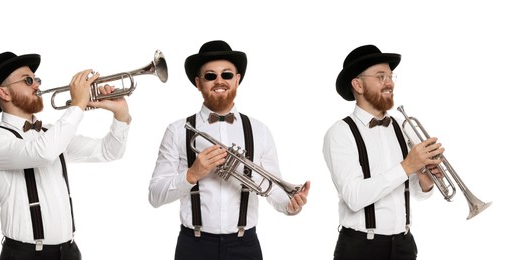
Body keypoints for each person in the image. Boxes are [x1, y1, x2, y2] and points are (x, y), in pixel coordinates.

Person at [147, 40, 310, 260]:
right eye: (210, 76)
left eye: (227, 75)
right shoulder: (177, 131)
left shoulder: (259, 130)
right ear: (198, 83)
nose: (219, 81)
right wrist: (191, 174)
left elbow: (272, 188)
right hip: (193, 246)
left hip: (245, 246)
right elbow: (155, 196)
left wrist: (290, 206)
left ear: (237, 80)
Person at [0, 51, 131, 260]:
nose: (37, 85)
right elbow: (43, 153)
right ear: (4, 93)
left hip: (69, 252)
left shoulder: (52, 133)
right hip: (26, 255)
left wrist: (121, 115)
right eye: (28, 80)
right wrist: (77, 105)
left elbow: (109, 152)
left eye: (36, 80)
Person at [323, 44, 441, 260]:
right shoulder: (340, 133)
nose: (389, 83)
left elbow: (413, 192)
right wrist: (407, 166)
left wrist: (425, 180)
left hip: (404, 246)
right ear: (358, 84)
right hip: (360, 248)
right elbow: (354, 197)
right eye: (380, 76)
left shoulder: (400, 126)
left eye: (390, 76)